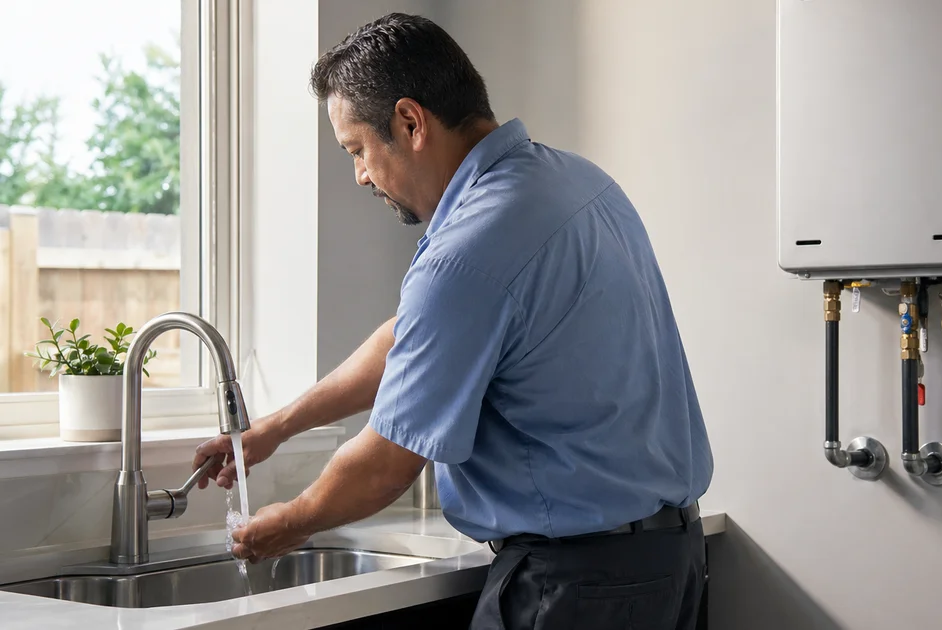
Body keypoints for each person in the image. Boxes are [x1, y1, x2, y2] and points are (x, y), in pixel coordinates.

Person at [193, 12, 713, 630]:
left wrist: (293, 520)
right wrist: (277, 428)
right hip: (670, 561)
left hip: (575, 586)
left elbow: (388, 461)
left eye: (357, 148)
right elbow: (409, 338)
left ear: (410, 122)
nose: (360, 173)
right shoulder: (577, 183)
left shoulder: (468, 252)